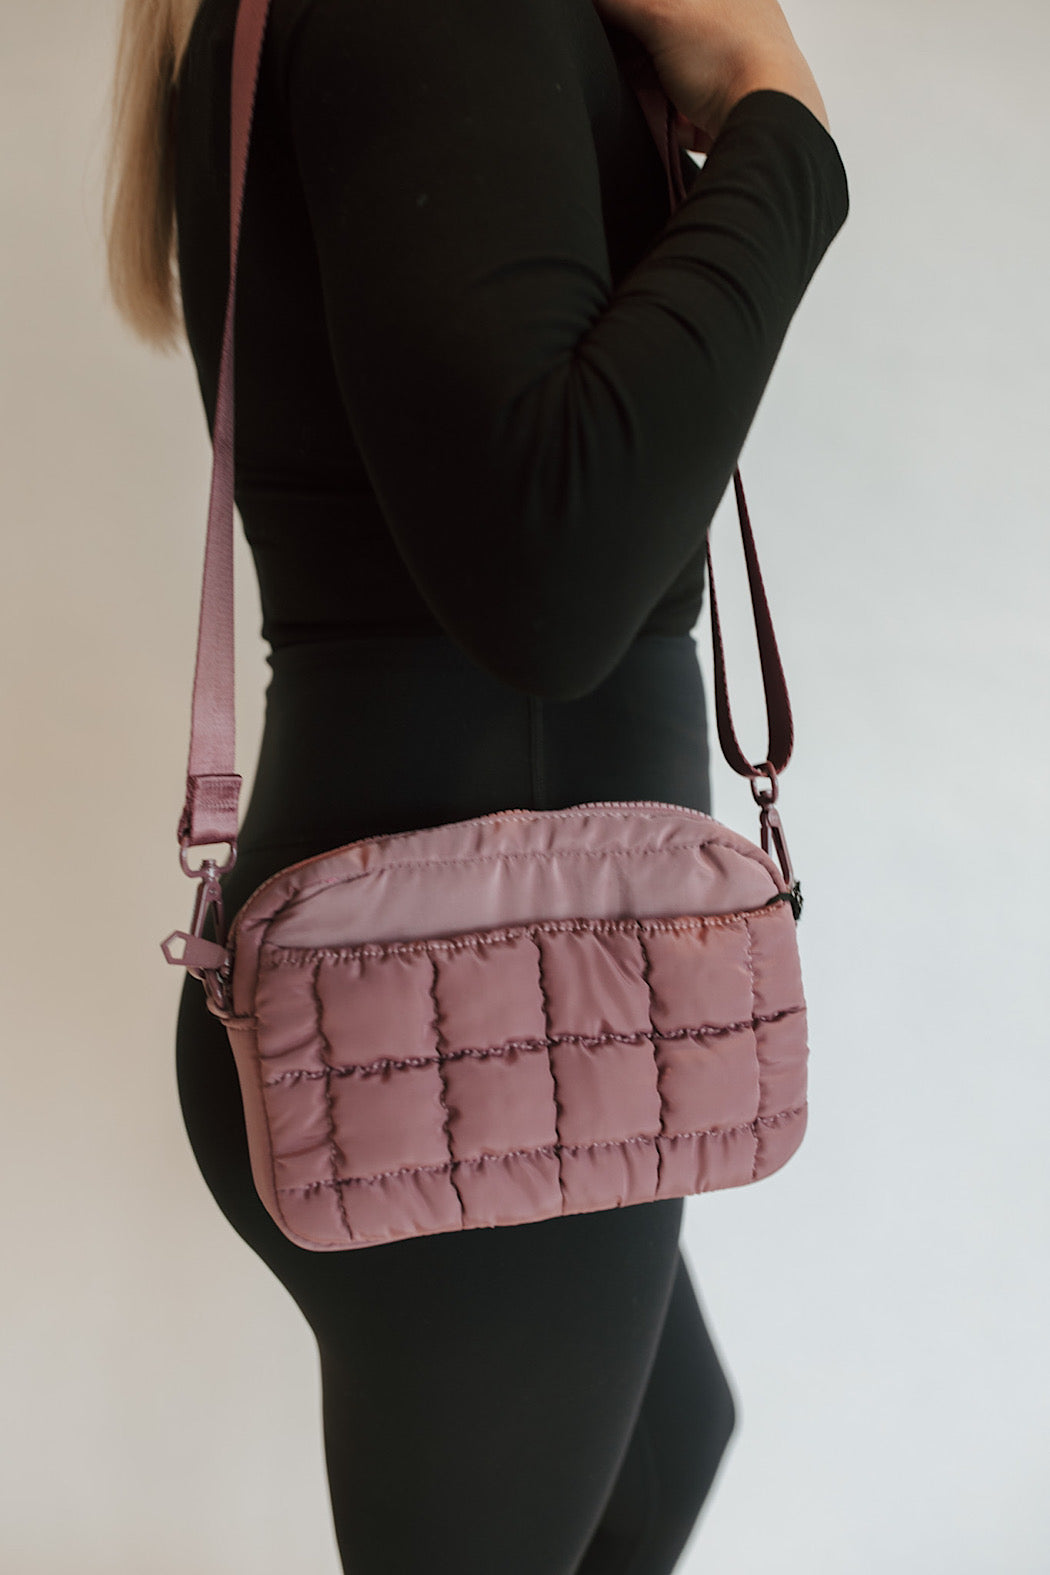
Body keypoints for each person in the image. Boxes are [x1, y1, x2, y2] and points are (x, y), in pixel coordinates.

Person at [104, 0, 849, 1568]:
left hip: (470, 994)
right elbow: (552, 586)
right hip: (474, 1011)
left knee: (663, 1457)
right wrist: (776, 113)